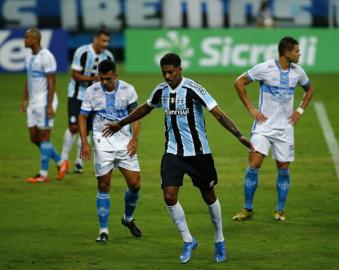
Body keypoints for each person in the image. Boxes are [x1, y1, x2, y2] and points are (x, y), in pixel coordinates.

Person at [102, 53, 252, 263]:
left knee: (209, 195)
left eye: (171, 72)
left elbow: (217, 113)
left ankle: (219, 239)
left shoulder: (193, 88)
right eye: (164, 72)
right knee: (169, 196)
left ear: (180, 69)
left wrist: (239, 136)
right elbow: (146, 107)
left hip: (199, 153)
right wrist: (121, 123)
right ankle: (188, 240)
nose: (167, 76)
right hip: (173, 152)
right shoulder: (161, 90)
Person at [232, 36, 314, 222]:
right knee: (253, 165)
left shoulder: (298, 72)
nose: (299, 54)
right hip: (263, 127)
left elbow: (310, 89)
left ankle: (280, 210)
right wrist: (252, 108)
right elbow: (239, 82)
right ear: (286, 52)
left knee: (283, 169)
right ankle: (247, 209)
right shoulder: (265, 68)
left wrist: (300, 110)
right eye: (296, 51)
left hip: (285, 129)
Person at [79, 59, 142, 242]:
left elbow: (136, 115)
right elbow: (82, 118)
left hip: (124, 143)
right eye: (102, 79)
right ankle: (103, 230)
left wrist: (135, 139)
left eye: (108, 78)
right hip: (102, 143)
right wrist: (84, 142)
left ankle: (127, 218)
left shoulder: (128, 89)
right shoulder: (92, 91)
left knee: (135, 184)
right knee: (104, 185)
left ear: (115, 75)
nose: (105, 82)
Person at [61, 29, 115, 174]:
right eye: (103, 40)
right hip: (77, 95)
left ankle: (79, 162)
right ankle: (63, 159)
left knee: (86, 130)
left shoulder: (108, 56)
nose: (105, 44)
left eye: (107, 41)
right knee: (73, 127)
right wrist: (92, 79)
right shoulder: (82, 52)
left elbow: (112, 77)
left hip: (95, 99)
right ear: (96, 39)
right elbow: (75, 75)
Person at [20, 27, 69, 183]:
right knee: (34, 138)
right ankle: (61, 162)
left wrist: (49, 105)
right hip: (33, 103)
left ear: (35, 39)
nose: (25, 40)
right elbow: (29, 80)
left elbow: (51, 82)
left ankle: (43, 174)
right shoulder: (28, 58)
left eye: (27, 37)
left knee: (45, 138)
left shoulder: (47, 57)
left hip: (44, 102)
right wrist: (24, 99)